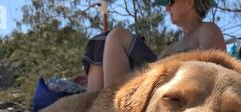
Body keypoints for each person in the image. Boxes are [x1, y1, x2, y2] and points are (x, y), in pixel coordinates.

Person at [82, 0, 226, 92]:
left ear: (189, 2)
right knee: (100, 41)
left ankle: (107, 108)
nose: (167, 8)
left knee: (117, 35)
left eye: (171, 2)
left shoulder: (207, 29)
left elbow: (215, 69)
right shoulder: (174, 45)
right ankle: (95, 108)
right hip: (155, 79)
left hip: (169, 84)